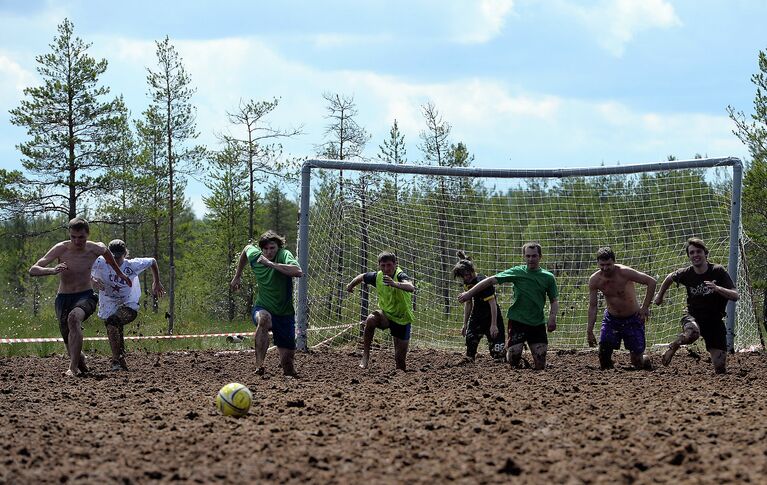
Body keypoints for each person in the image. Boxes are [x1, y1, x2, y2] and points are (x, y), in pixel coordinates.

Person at [29, 217, 131, 377]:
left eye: (81, 237)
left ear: (87, 235)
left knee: (73, 318)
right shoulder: (60, 249)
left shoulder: (95, 249)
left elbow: (109, 258)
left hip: (86, 295)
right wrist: (52, 270)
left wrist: (121, 274)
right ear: (69, 235)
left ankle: (72, 368)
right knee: (68, 336)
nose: (77, 241)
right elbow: (33, 269)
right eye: (73, 237)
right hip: (63, 298)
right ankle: (80, 361)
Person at [459, 242, 558, 370]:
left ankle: (524, 348)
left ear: (540, 257)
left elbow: (554, 300)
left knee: (540, 361)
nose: (531, 259)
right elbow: (491, 280)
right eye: (528, 256)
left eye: (534, 256)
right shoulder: (517, 272)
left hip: (537, 322)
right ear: (524, 257)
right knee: (513, 359)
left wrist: (552, 317)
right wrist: (469, 293)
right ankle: (510, 349)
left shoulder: (548, 277)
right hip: (518, 321)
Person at [654, 238, 739, 374]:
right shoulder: (686, 273)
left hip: (714, 321)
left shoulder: (717, 271)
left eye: (698, 251)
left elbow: (735, 295)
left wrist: (717, 288)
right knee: (693, 333)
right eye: (692, 253)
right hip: (693, 316)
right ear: (689, 256)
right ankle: (675, 345)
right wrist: (659, 296)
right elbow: (670, 277)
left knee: (720, 367)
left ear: (705, 253)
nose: (695, 255)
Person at [230, 230, 303, 377]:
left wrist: (270, 264)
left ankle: (288, 369)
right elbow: (246, 249)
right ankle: (259, 366)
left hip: (284, 313)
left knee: (287, 366)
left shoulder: (284, 254)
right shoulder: (256, 256)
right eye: (265, 249)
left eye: (272, 248)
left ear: (278, 247)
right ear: (261, 249)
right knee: (264, 319)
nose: (269, 252)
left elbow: (298, 271)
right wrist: (237, 276)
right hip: (263, 306)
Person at [91, 240, 164, 371]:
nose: (116, 260)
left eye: (119, 257)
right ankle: (120, 358)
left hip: (129, 303)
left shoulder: (132, 265)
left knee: (113, 322)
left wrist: (156, 282)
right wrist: (93, 280)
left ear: (125, 254)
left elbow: (152, 261)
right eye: (113, 257)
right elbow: (83, 268)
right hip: (108, 302)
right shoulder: (99, 262)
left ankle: (116, 361)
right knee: (113, 326)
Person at [586, 247, 657, 370]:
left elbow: (651, 282)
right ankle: (608, 380)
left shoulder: (624, 272)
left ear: (614, 261)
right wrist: (589, 330)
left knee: (637, 363)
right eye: (602, 265)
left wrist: (645, 307)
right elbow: (593, 306)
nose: (605, 268)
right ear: (597, 263)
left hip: (633, 318)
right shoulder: (595, 280)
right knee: (603, 355)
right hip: (611, 319)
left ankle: (644, 359)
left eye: (608, 264)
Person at [346, 251, 415, 371]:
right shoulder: (377, 276)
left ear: (395, 264)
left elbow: (411, 287)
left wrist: (395, 284)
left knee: (399, 361)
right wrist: (350, 285)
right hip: (386, 316)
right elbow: (362, 276)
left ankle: (400, 376)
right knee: (371, 319)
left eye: (389, 265)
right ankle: (365, 355)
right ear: (379, 265)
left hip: (402, 319)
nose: (386, 268)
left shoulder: (400, 275)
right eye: (383, 266)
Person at [453, 251, 505, 362]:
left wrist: (494, 325)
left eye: (467, 275)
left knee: (498, 353)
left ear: (472, 271)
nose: (466, 278)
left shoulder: (483, 282)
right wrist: (465, 324)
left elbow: (493, 304)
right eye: (463, 276)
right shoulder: (467, 283)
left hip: (492, 316)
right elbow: (468, 303)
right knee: (470, 340)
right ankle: (470, 359)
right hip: (478, 315)